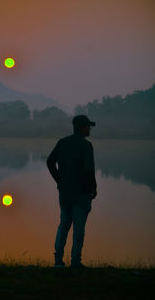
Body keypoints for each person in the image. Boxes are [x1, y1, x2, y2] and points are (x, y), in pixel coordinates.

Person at [46, 114, 97, 268]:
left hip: (65, 192)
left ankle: (58, 261)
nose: (90, 129)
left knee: (64, 224)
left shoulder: (63, 142)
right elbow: (89, 170)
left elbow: (50, 162)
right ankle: (76, 261)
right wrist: (93, 188)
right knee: (79, 228)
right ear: (82, 128)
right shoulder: (86, 145)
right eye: (88, 126)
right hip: (81, 193)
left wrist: (59, 180)